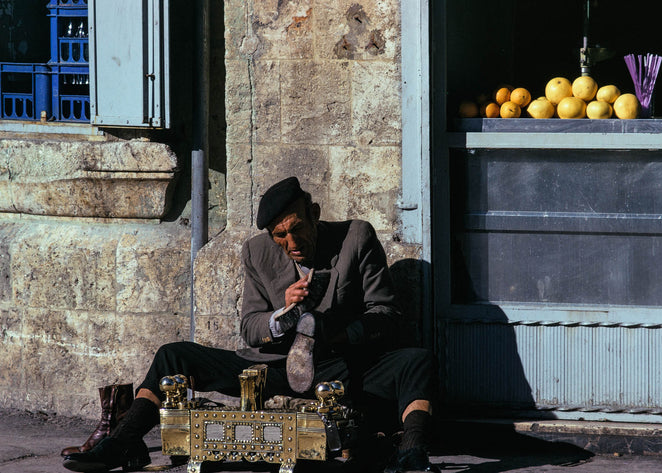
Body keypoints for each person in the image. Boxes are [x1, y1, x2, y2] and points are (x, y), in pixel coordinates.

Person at [63, 176, 438, 473]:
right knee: (172, 355)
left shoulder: (356, 237)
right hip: (272, 365)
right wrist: (283, 316)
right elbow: (250, 326)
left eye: (297, 228)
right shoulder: (256, 252)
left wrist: (335, 332)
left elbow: (385, 316)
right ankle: (122, 441)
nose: (291, 242)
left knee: (416, 361)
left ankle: (413, 452)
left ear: (314, 212)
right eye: (280, 235)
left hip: (338, 365)